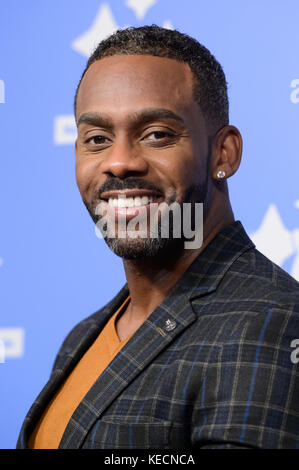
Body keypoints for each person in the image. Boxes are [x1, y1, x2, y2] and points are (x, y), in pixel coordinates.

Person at [17, 25, 299, 449]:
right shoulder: (82, 337)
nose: (119, 162)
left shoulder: (271, 322)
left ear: (224, 153)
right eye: (97, 139)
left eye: (157, 135)